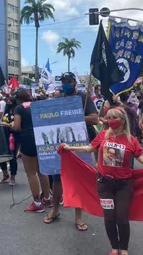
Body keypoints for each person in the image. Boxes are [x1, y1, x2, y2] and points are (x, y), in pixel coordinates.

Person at [62, 107, 143, 255]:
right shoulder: (102, 135)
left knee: (122, 218)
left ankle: (124, 249)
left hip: (124, 185)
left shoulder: (131, 140)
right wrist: (69, 148)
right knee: (109, 217)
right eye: (108, 117)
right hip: (104, 184)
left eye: (114, 117)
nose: (111, 121)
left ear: (122, 121)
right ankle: (114, 248)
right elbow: (89, 148)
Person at [44, 72, 98, 230]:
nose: (65, 84)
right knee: (56, 178)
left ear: (74, 82)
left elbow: (95, 118)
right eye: (63, 82)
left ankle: (78, 216)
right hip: (61, 143)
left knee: (78, 178)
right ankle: (55, 209)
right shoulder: (58, 98)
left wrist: (75, 116)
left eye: (68, 81)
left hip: (80, 144)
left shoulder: (84, 97)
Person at [12, 88, 51, 213]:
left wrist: (9, 125)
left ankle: (37, 203)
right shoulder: (37, 105)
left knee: (31, 173)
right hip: (41, 138)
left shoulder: (19, 108)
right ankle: (47, 198)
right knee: (42, 171)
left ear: (18, 99)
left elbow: (17, 127)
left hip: (28, 139)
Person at [0, 97, 20, 186]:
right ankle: (5, 174)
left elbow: (14, 126)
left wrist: (6, 124)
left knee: (12, 157)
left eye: (11, 101)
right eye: (8, 101)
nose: (9, 102)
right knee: (1, 155)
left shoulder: (17, 112)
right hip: (3, 136)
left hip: (13, 137)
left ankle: (13, 177)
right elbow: (0, 121)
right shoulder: (5, 112)